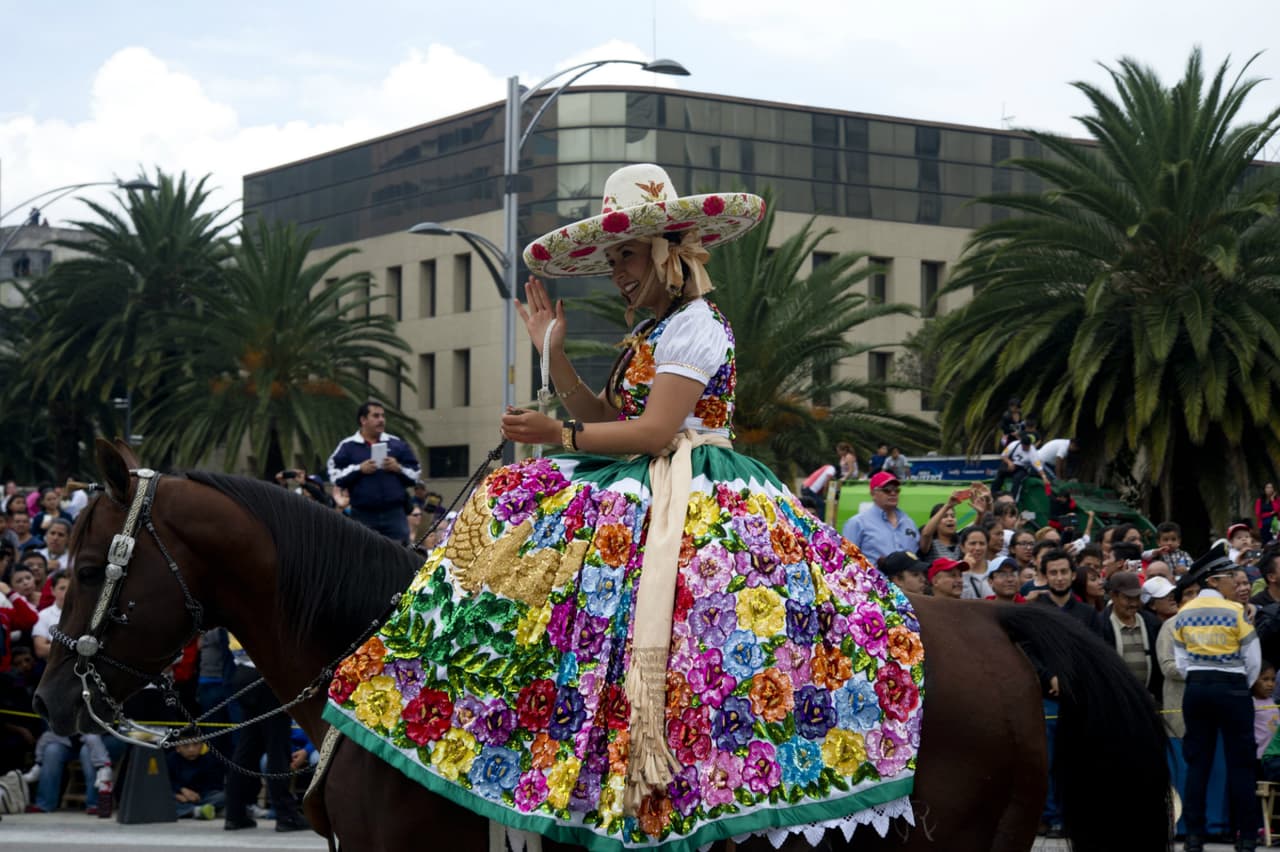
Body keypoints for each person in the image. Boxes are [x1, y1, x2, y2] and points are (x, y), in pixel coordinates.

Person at [323, 164, 925, 847]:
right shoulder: (653, 332)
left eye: (627, 256)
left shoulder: (697, 324)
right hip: (642, 477)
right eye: (613, 261)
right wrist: (554, 361)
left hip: (692, 481)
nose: (618, 273)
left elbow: (653, 431)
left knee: (689, 619)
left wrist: (559, 435)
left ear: (668, 250)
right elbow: (608, 414)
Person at [1173, 544, 1262, 852]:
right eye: (1228, 578)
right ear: (1213, 581)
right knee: (1242, 765)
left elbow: (1181, 660)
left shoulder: (1183, 613)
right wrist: (1237, 683)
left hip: (1196, 689)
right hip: (1233, 688)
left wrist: (1201, 676)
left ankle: (1195, 837)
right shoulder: (1236, 612)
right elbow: (1253, 660)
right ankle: (1247, 837)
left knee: (1198, 763)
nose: (1234, 583)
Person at [326, 400, 421, 543]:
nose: (381, 420)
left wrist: (398, 468)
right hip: (363, 515)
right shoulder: (348, 446)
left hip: (394, 515)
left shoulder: (396, 444)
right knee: (364, 559)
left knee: (400, 559)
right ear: (363, 420)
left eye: (383, 416)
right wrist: (359, 469)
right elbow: (334, 474)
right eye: (376, 416)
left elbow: (416, 474)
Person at [1095, 571, 1163, 705]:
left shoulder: (1152, 623)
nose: (1134, 604)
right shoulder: (1100, 625)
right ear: (1113, 596)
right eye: (1128, 598)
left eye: (1137, 598)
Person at [841, 471, 920, 565]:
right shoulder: (857, 523)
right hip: (875, 578)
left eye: (897, 490)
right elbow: (847, 560)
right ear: (873, 493)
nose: (893, 493)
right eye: (887, 490)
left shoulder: (908, 522)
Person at [167, 740, 225, 820]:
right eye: (186, 746)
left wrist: (197, 795)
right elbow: (165, 782)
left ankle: (191, 811)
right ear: (177, 748)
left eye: (195, 744)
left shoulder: (209, 759)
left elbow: (215, 785)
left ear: (202, 745)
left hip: (202, 796)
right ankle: (197, 811)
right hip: (180, 797)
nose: (191, 749)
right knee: (164, 800)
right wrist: (180, 792)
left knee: (223, 796)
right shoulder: (171, 759)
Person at [991, 432, 1050, 498]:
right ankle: (993, 494)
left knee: (1017, 479)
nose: (1025, 448)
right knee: (1000, 473)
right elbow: (1003, 456)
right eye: (1024, 446)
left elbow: (1038, 466)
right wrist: (1009, 462)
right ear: (1021, 443)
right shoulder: (1013, 444)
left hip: (1022, 468)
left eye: (1027, 446)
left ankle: (1013, 498)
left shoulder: (1033, 452)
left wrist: (1044, 477)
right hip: (1011, 463)